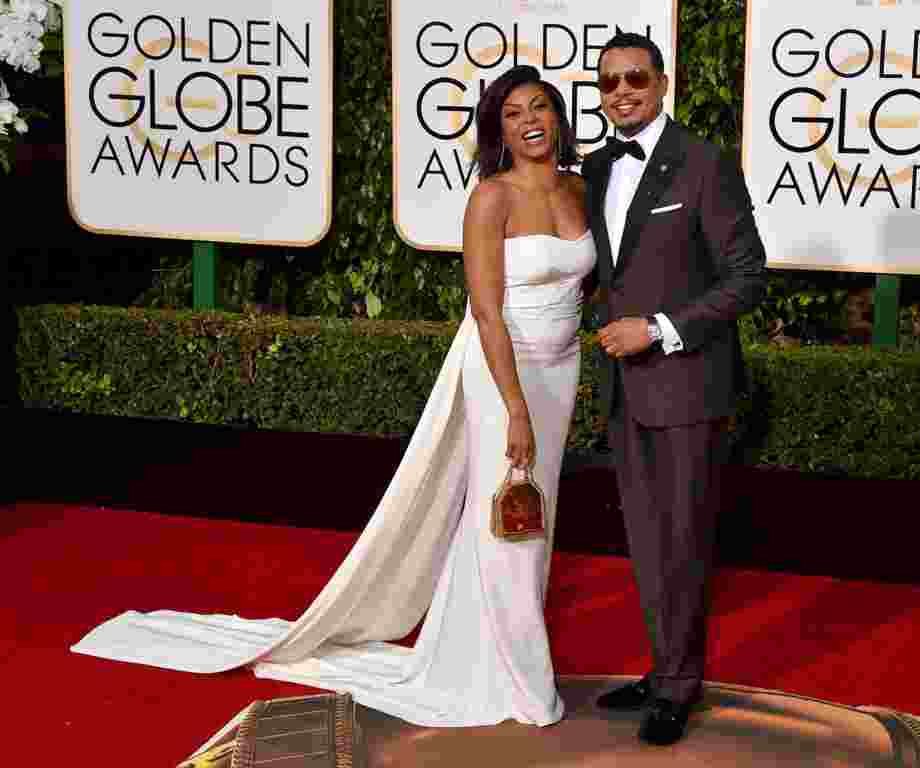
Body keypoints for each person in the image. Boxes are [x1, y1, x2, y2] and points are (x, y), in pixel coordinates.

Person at [70, 65, 596, 728]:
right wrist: (515, 406)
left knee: (529, 519)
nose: (531, 121)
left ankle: (480, 649)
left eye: (541, 106)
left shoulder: (580, 187)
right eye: (515, 112)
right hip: (504, 374)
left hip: (562, 368)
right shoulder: (490, 198)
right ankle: (523, 681)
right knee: (508, 519)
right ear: (499, 129)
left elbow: (586, 281)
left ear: (558, 115)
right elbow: (488, 312)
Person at [582, 33, 767, 746]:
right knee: (648, 543)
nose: (622, 90)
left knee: (685, 542)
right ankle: (664, 672)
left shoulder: (704, 164)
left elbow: (747, 276)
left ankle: (680, 687)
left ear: (662, 83)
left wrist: (658, 328)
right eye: (609, 82)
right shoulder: (596, 168)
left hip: (688, 384)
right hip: (625, 390)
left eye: (635, 77)